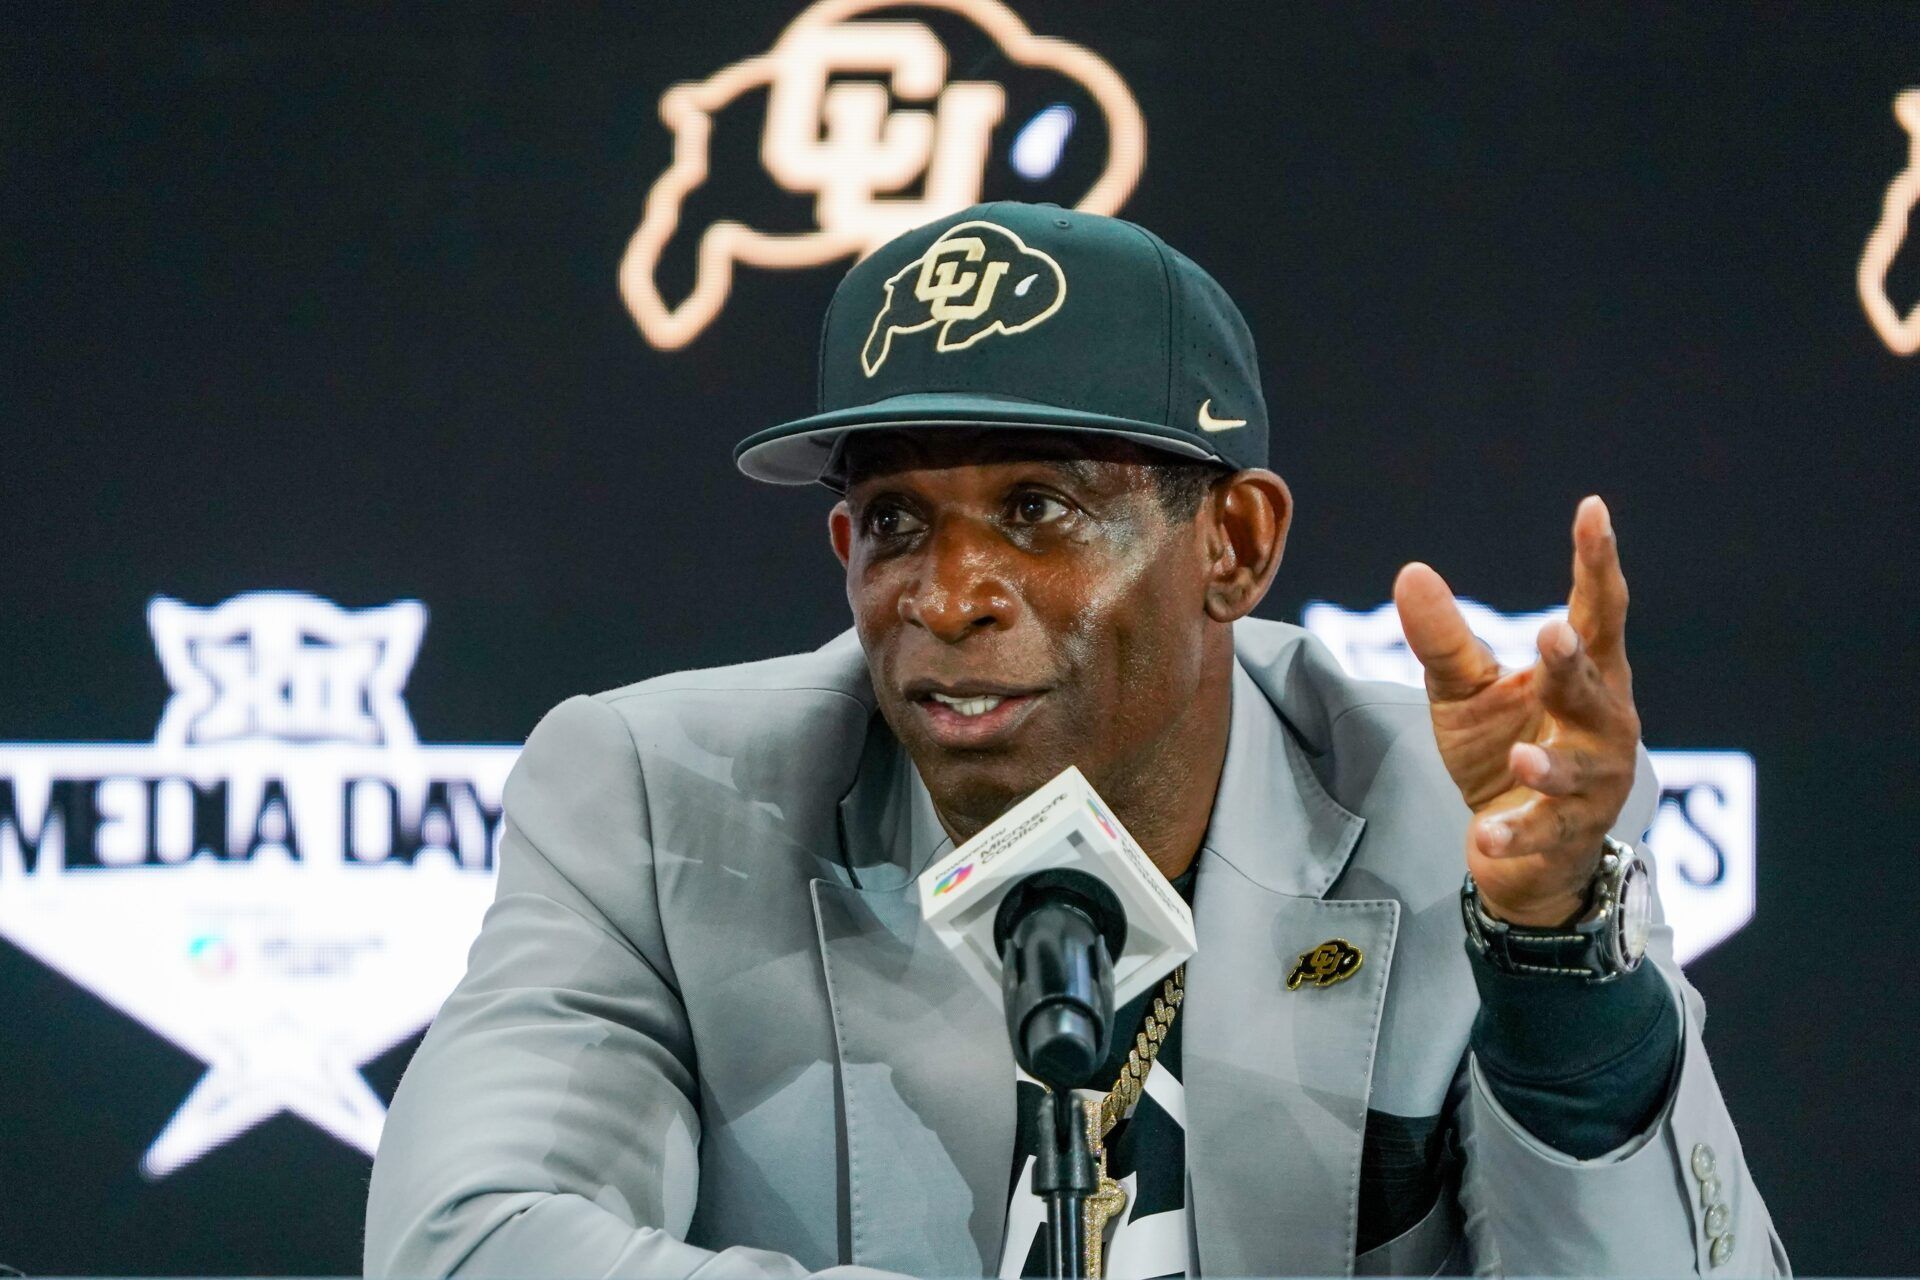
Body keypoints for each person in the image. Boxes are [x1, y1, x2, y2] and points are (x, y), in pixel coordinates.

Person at [364, 203, 1786, 1278]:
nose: (949, 597)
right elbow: (468, 1240)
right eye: (896, 522)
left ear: (1234, 545)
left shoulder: (1462, 818)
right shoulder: (660, 803)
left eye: (1039, 510)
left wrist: (1551, 963)